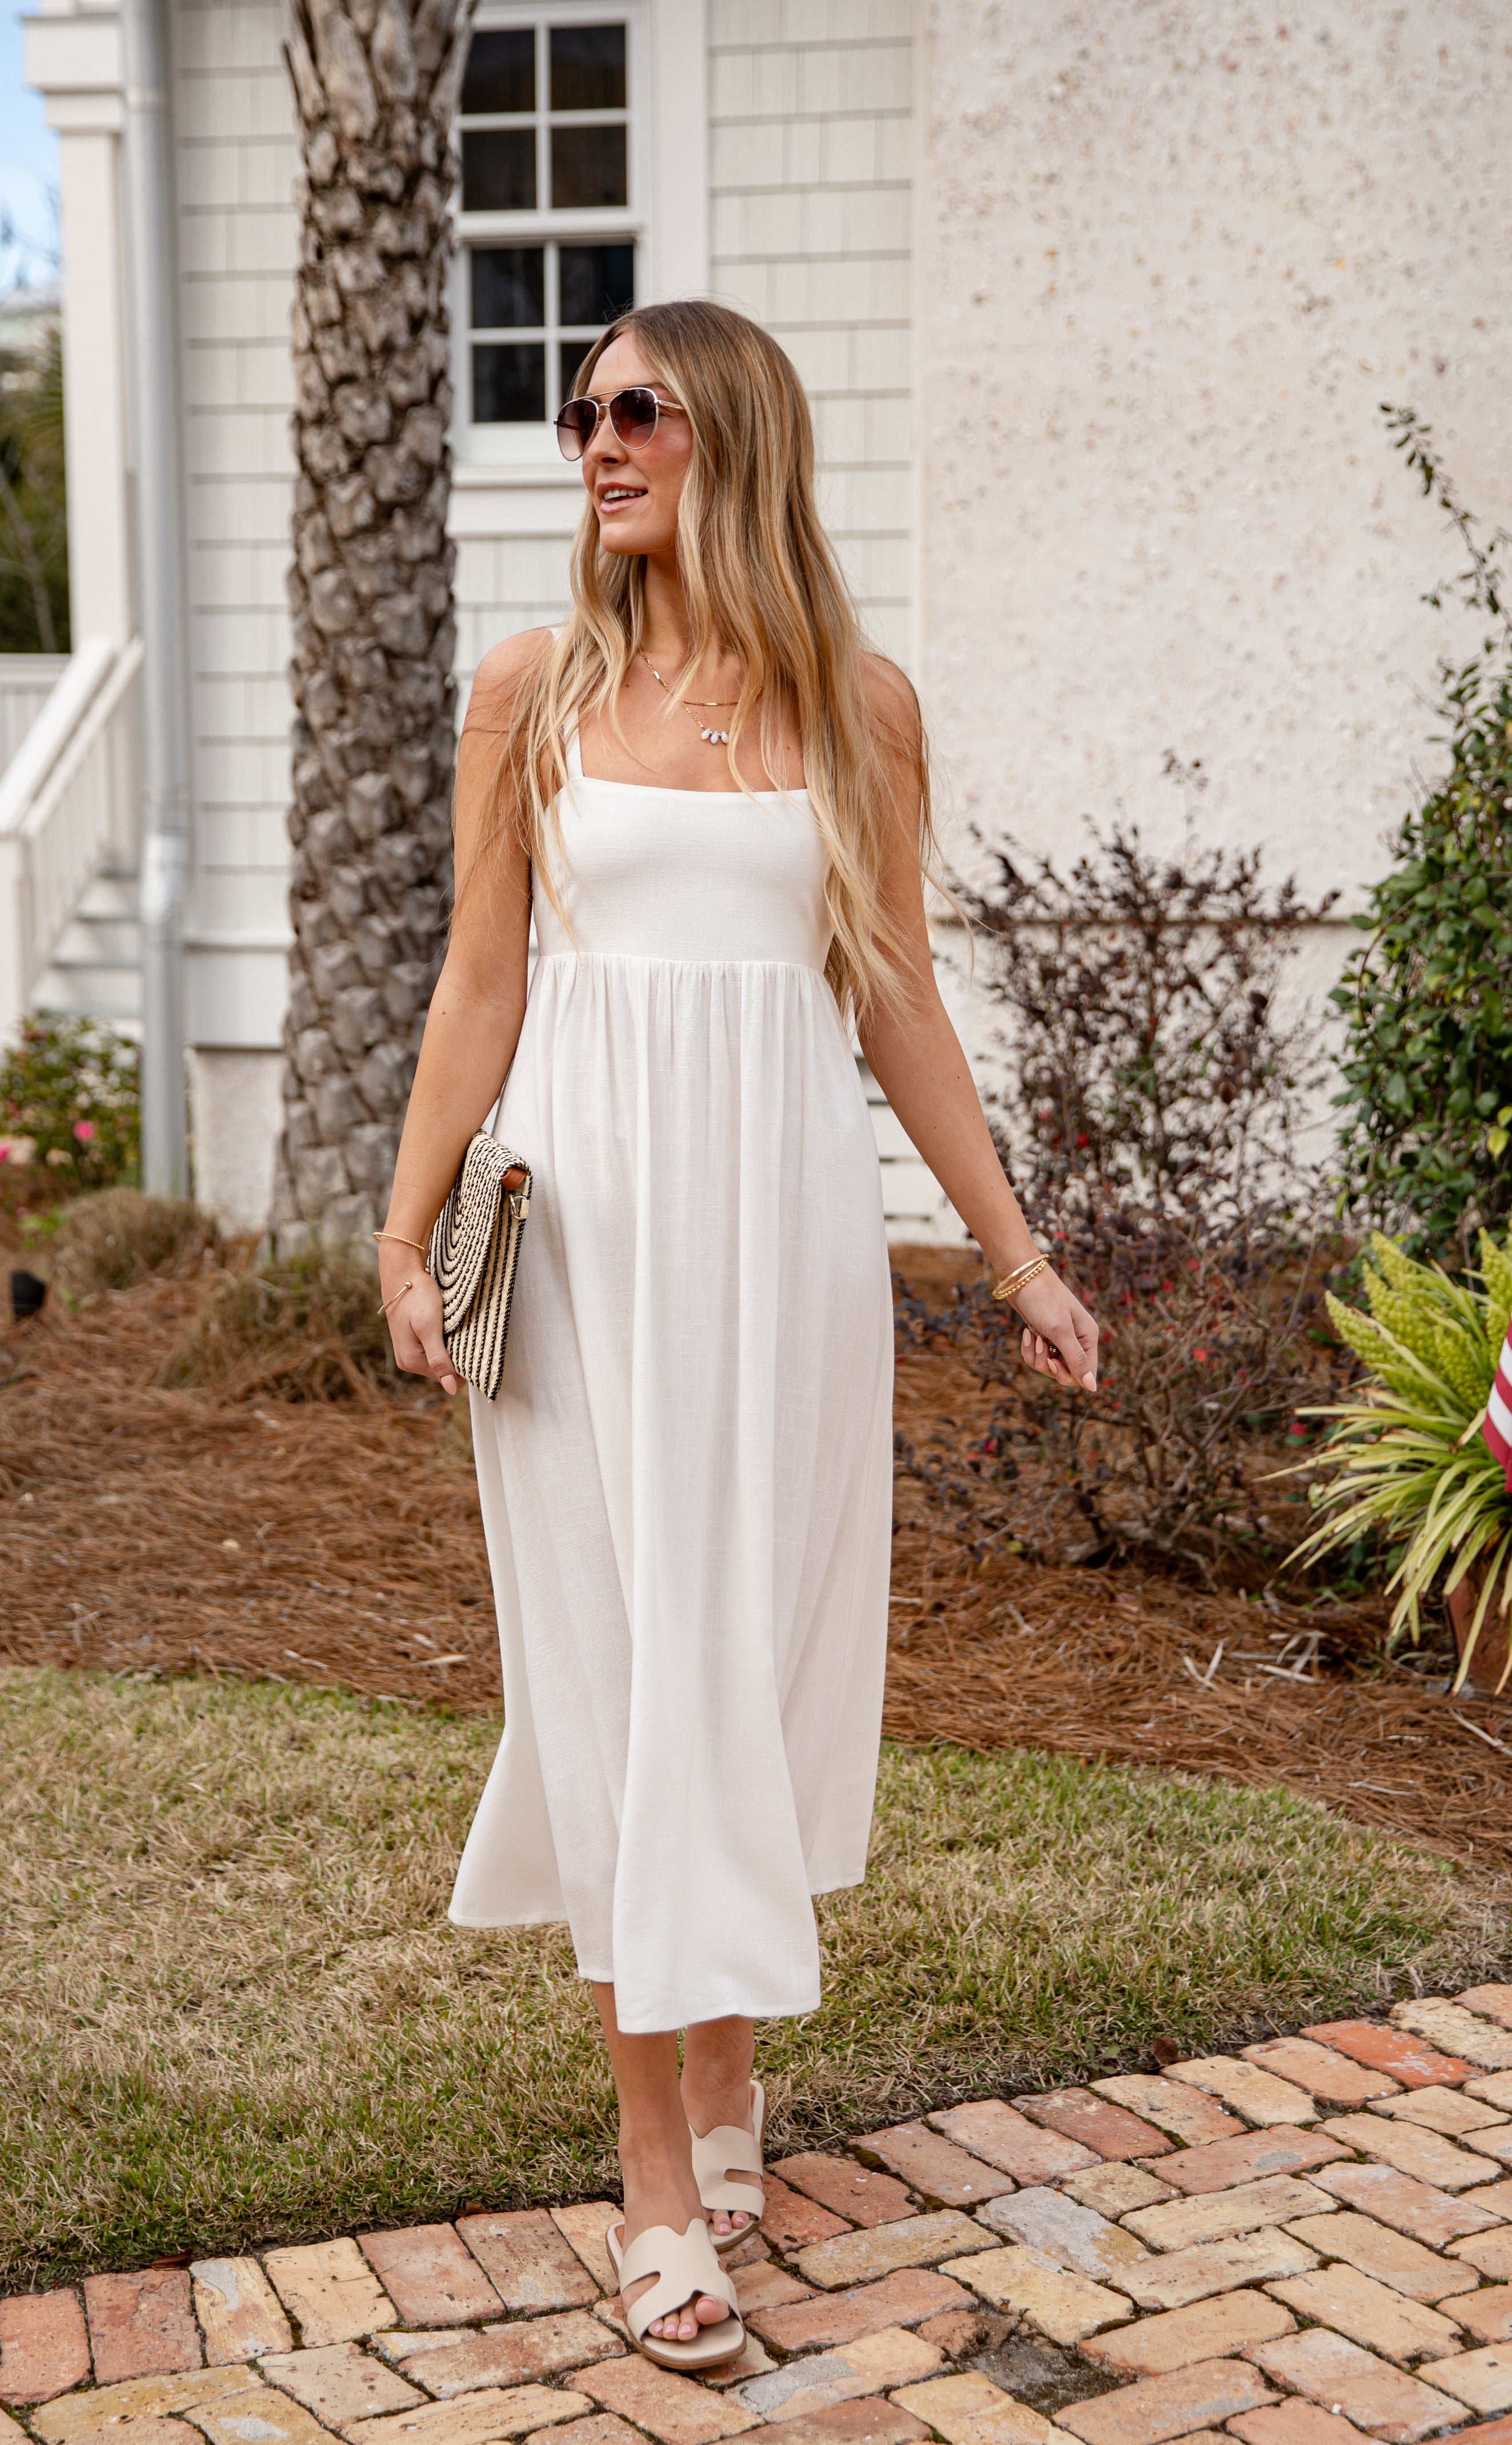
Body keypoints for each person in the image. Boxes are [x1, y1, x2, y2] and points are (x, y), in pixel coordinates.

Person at [375, 299, 1099, 2370]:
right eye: (576, 412)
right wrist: (404, 1226)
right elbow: (476, 989)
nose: (590, 441)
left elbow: (894, 1006)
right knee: (620, 1676)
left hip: (783, 1251)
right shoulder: (527, 693)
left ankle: (721, 2064)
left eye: (633, 410)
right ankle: (657, 2184)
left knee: (749, 1670)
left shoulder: (858, 708)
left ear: (734, 439)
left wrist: (1017, 1254)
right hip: (587, 1242)